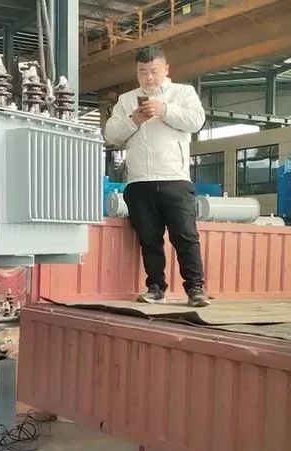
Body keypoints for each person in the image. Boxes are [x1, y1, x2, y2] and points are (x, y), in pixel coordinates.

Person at [104, 45, 210, 307]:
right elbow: (111, 134)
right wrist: (134, 120)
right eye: (142, 72)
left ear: (166, 69)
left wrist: (164, 110)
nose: (148, 77)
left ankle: (195, 288)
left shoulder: (183, 93)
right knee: (149, 239)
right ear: (137, 72)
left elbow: (196, 121)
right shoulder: (126, 100)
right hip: (139, 181)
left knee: (185, 236)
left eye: (154, 71)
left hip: (175, 178)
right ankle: (155, 287)